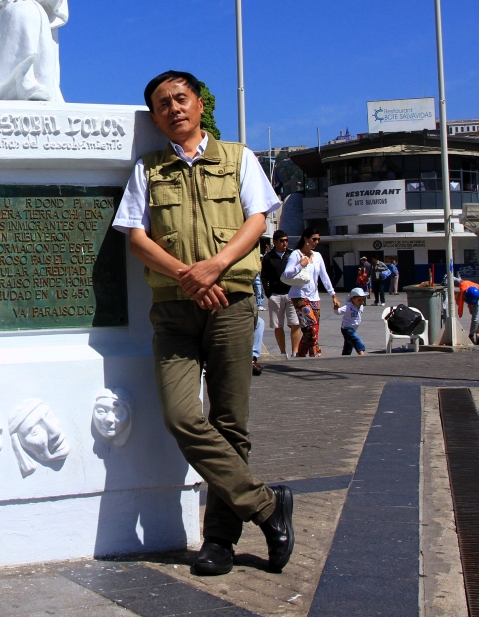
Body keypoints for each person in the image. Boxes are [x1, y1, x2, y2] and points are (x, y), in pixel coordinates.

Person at [111, 70, 293, 577]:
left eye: (180, 98)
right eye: (162, 105)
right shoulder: (150, 168)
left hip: (231, 303)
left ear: (198, 103)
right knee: (181, 416)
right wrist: (189, 277)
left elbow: (258, 220)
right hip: (173, 308)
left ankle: (219, 542)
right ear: (155, 117)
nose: (173, 109)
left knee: (230, 422)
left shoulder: (237, 158)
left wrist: (215, 266)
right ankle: (266, 506)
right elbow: (136, 235)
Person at [283, 228, 340, 357]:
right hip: (299, 296)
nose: (316, 242)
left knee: (312, 332)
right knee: (311, 328)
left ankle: (301, 355)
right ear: (305, 239)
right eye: (313, 239)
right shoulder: (296, 255)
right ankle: (315, 354)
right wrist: (300, 265)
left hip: (314, 297)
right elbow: (286, 274)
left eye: (318, 239)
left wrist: (333, 295)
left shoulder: (317, 256)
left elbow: (324, 277)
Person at [260, 233, 298, 358]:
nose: (285, 243)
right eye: (282, 240)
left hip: (292, 294)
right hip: (275, 295)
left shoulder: (292, 255)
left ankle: (295, 352)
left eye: (286, 240)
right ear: (275, 242)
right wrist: (268, 294)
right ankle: (283, 352)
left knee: (295, 323)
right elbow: (264, 277)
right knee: (278, 325)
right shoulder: (268, 257)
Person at [338, 287, 368, 355]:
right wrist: (336, 307)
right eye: (359, 300)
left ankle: (344, 358)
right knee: (357, 341)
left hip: (353, 329)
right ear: (352, 299)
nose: (361, 302)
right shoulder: (348, 306)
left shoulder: (361, 306)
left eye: (363, 300)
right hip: (346, 329)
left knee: (348, 346)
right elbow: (338, 311)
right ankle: (362, 356)